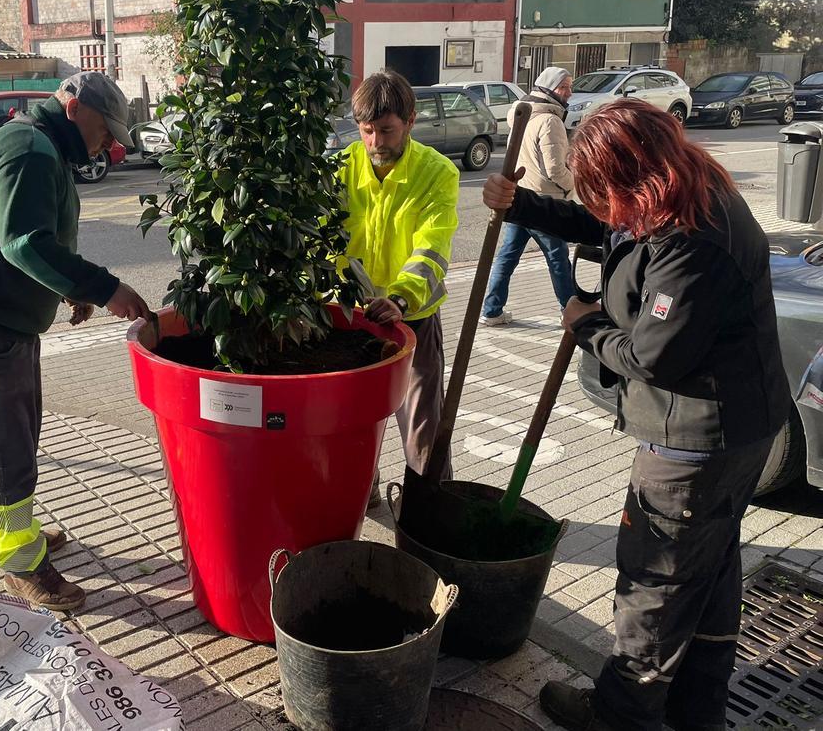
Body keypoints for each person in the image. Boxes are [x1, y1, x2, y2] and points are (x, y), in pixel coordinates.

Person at [482, 99, 790, 731]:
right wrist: (523, 205)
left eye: (603, 189)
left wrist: (585, 323)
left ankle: (620, 713)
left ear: (635, 176)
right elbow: (605, 226)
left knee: (656, 579)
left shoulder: (693, 241)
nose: (600, 205)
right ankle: (694, 708)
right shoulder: (674, 194)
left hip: (697, 443)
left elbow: (652, 357)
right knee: (708, 570)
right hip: (737, 429)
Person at [0, 71, 150, 612]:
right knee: (9, 444)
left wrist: (70, 289)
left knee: (7, 435)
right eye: (105, 129)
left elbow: (25, 238)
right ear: (73, 107)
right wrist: (106, 289)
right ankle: (21, 563)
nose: (108, 144)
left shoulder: (35, 142)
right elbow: (23, 243)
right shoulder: (30, 150)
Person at [338, 70, 460, 490]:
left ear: (410, 122)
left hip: (413, 318)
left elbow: (432, 247)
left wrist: (402, 300)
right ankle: (361, 492)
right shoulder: (340, 169)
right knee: (352, 419)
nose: (376, 142)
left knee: (423, 425)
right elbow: (324, 242)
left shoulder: (437, 173)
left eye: (387, 130)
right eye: (367, 130)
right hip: (350, 318)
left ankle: (428, 508)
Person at [481, 66, 576, 325]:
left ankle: (492, 311)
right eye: (564, 87)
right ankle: (571, 312)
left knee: (507, 256)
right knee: (558, 259)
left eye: (570, 86)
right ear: (549, 89)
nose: (569, 92)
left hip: (519, 198)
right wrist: (573, 184)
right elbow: (555, 169)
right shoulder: (550, 121)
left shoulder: (521, 115)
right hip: (545, 202)